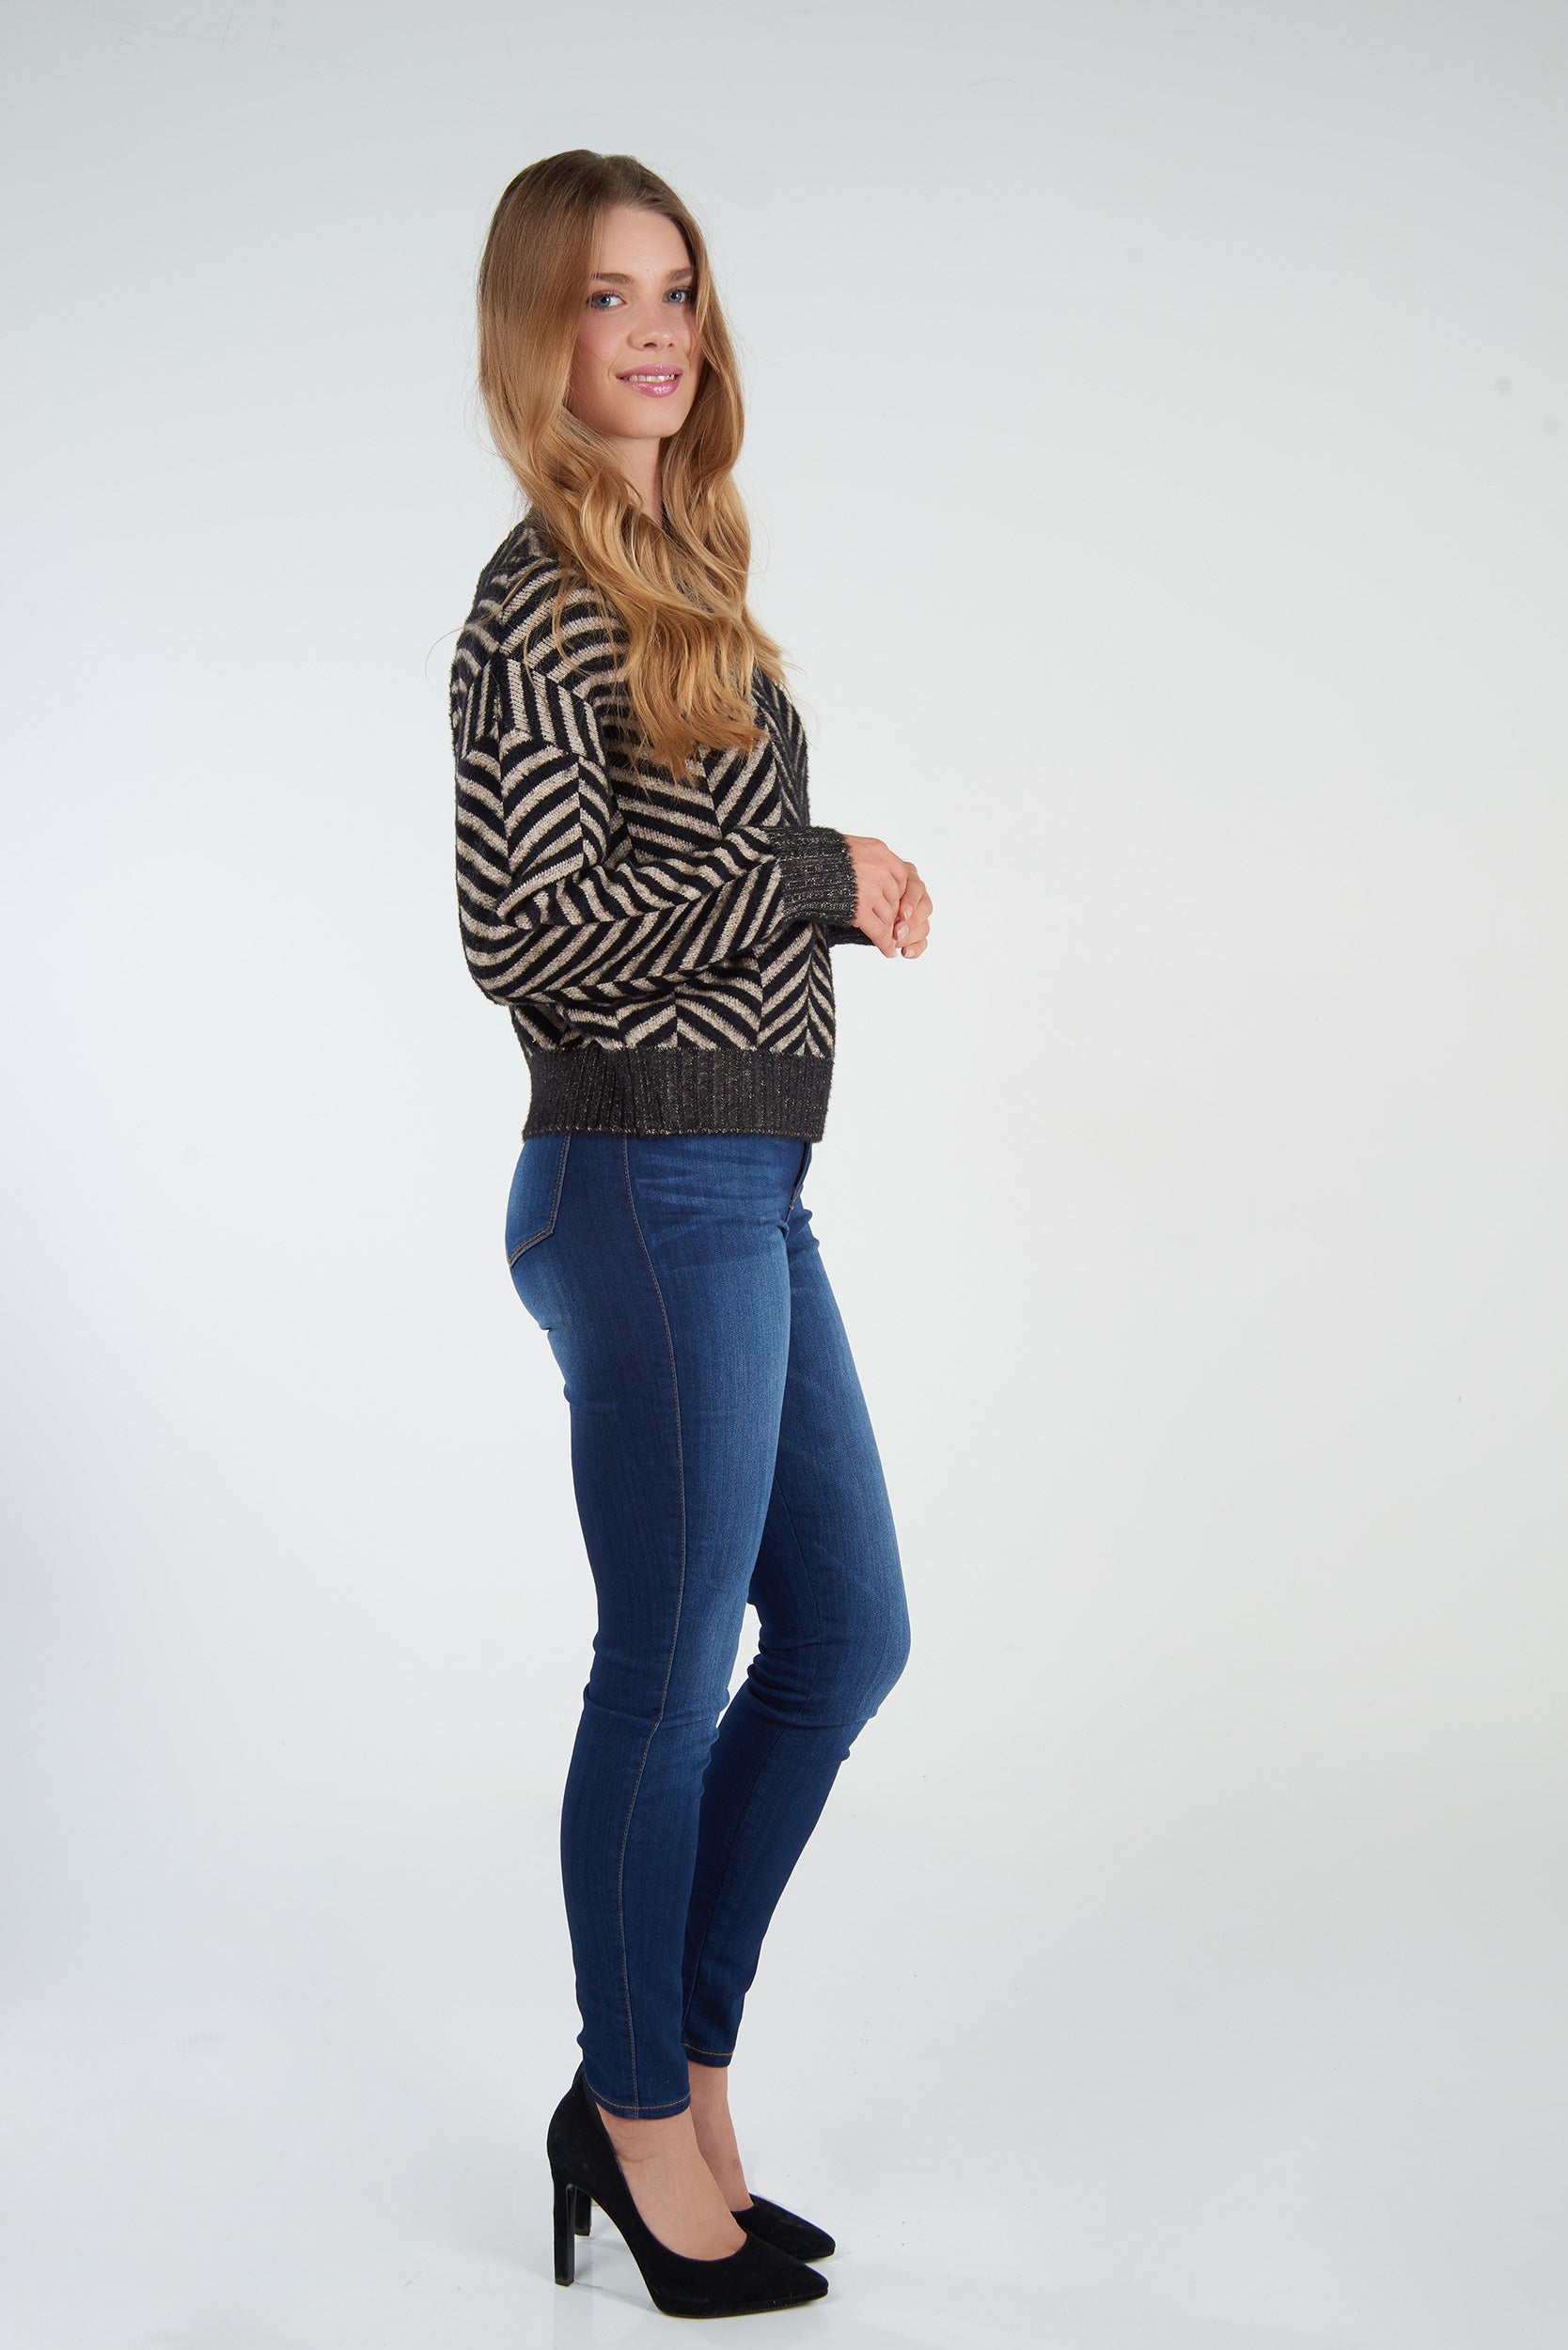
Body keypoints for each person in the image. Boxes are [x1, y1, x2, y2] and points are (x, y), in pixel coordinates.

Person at [448, 149, 931, 2320]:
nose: (654, 331)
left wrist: (820, 882)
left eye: (677, 290)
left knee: (844, 1632)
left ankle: (676, 2064)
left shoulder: (680, 572)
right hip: (643, 1186)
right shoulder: (541, 596)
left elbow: (664, 896)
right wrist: (812, 871)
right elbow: (526, 930)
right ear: (536, 332)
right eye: (605, 295)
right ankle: (640, 2112)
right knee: (666, 1666)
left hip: (744, 1188)